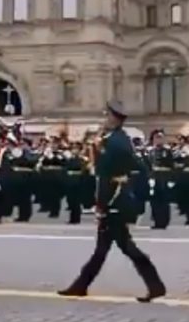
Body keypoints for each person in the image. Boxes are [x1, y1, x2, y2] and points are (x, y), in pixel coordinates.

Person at [57, 99, 166, 303]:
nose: (104, 119)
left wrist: (103, 203)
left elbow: (112, 172)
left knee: (125, 247)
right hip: (114, 197)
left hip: (115, 200)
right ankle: (81, 285)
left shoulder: (116, 142)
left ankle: (155, 285)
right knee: (105, 249)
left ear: (115, 118)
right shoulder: (115, 139)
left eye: (107, 115)